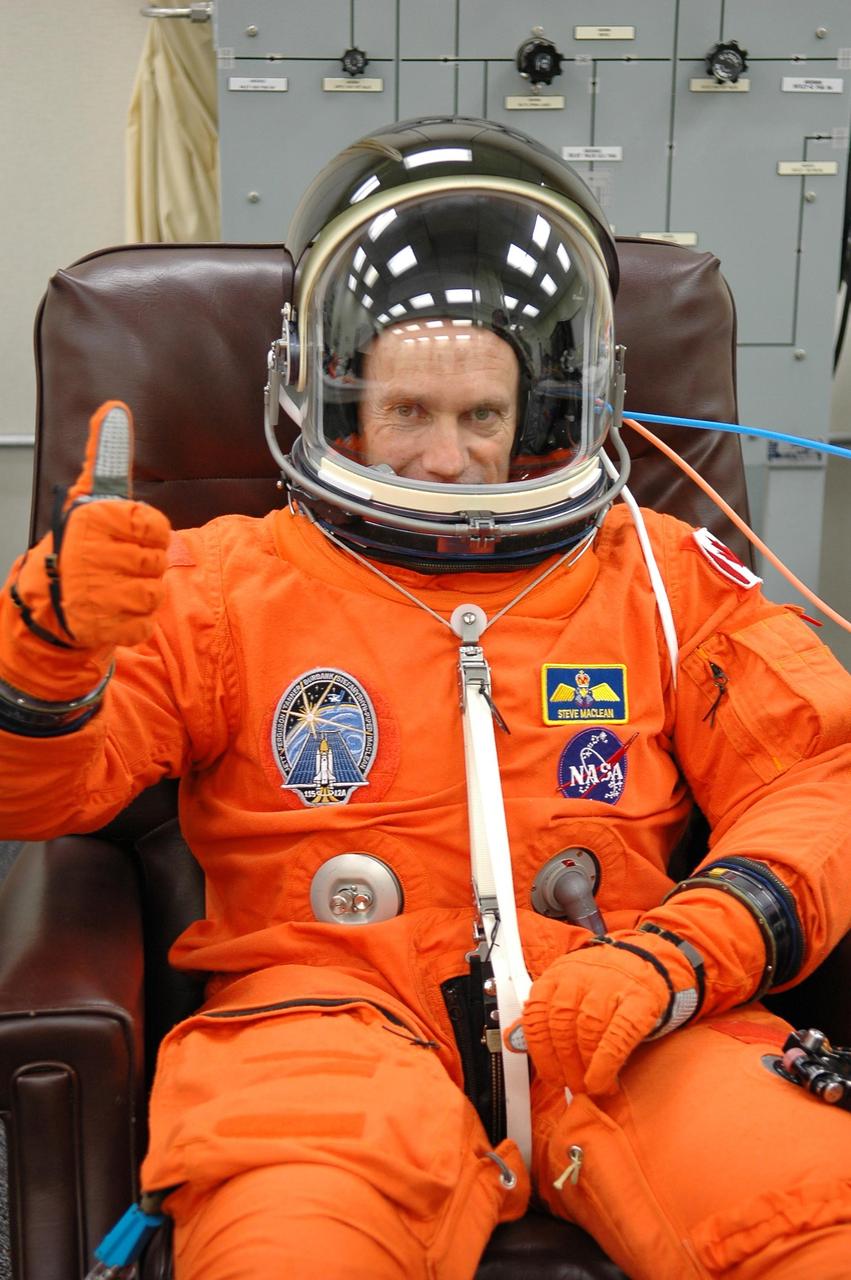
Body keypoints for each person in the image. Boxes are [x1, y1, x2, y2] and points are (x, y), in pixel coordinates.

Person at [1, 116, 851, 1280]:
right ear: (335, 403)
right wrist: (44, 659)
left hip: (619, 1006)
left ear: (542, 417)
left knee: (811, 1220)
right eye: (407, 412)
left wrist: (678, 954)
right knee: (286, 1249)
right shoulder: (225, 581)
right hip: (320, 1021)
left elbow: (820, 777)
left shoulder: (653, 574)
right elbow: (43, 796)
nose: (443, 461)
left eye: (479, 418)